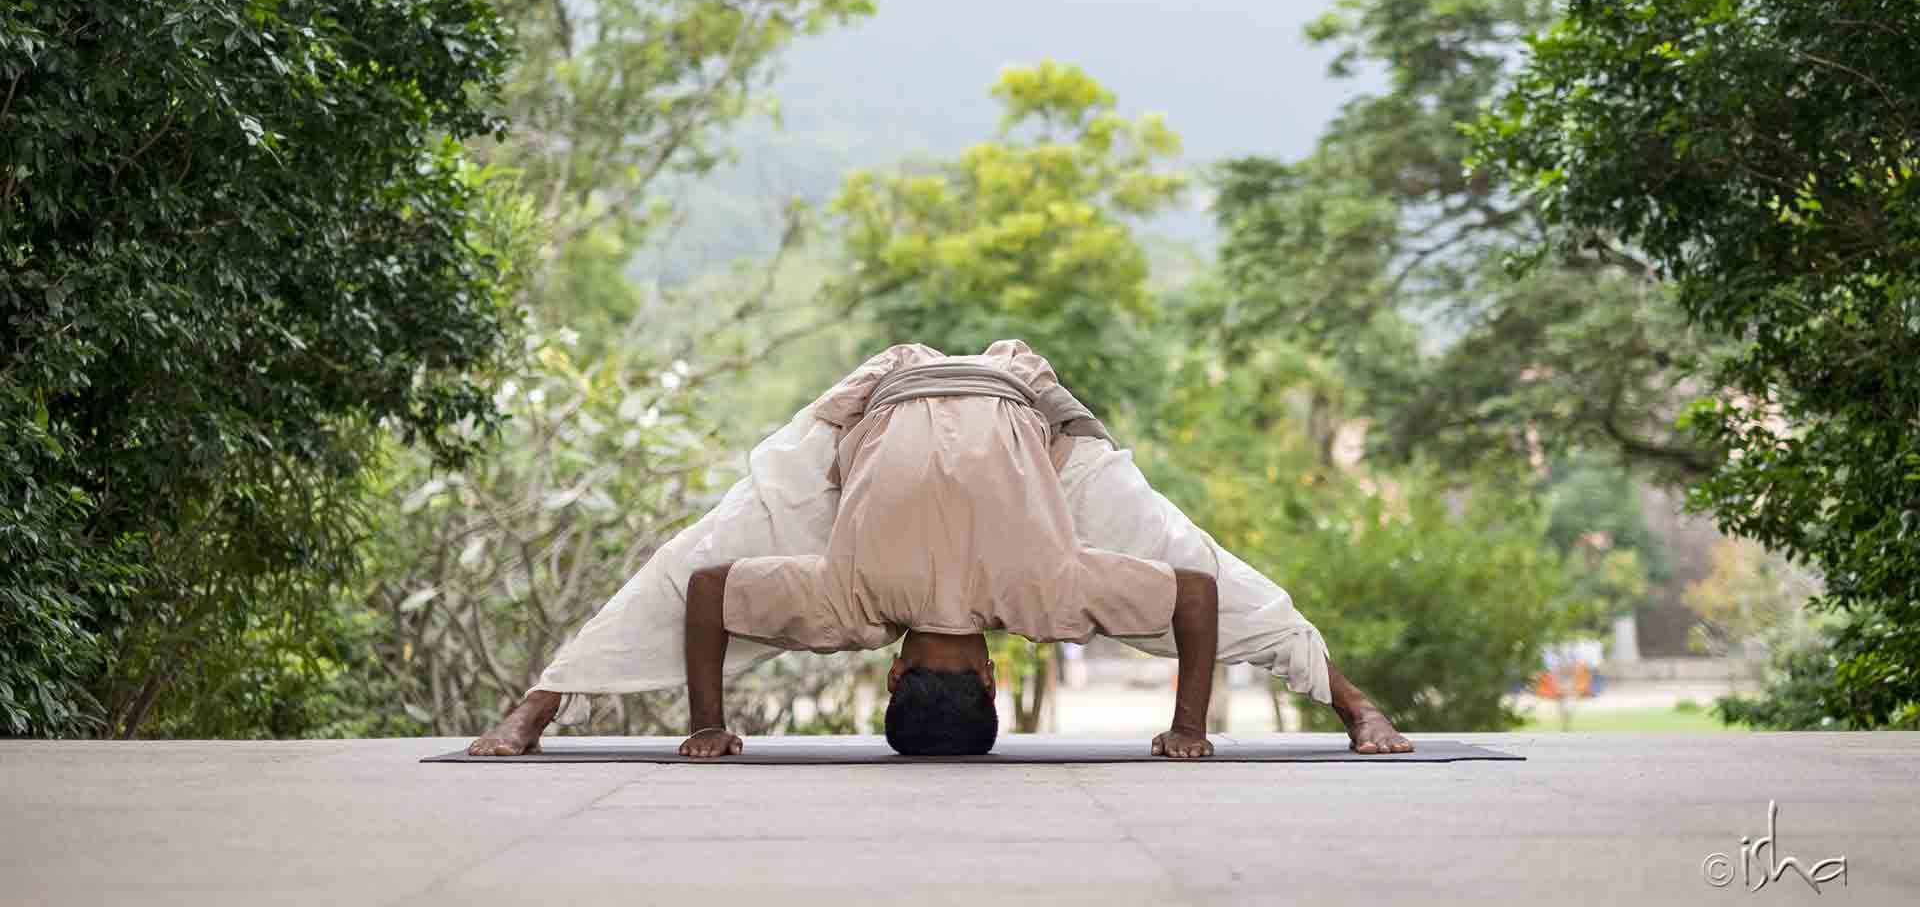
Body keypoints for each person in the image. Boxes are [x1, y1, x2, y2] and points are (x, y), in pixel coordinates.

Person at [469, 340, 1412, 759]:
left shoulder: (1042, 600)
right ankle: (1357, 706)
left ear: (994, 680)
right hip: (923, 385)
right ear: (894, 679)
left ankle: (531, 709)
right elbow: (713, 589)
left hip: (998, 392)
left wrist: (1190, 725)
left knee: (1184, 553)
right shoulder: (854, 604)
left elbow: (1195, 592)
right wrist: (705, 723)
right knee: (698, 556)